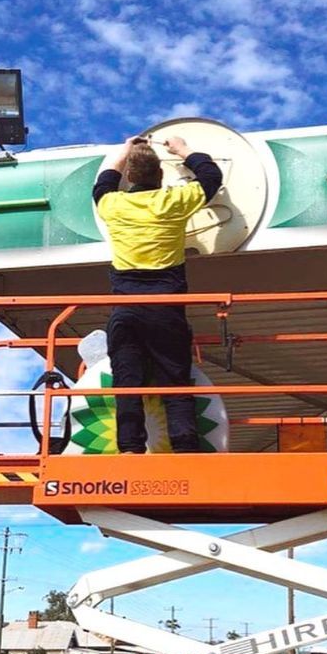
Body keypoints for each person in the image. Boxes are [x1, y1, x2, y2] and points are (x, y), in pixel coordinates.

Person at [92, 135, 222, 453]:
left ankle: (130, 449)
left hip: (126, 307)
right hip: (166, 306)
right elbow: (211, 177)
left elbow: (104, 179)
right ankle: (186, 448)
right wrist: (182, 149)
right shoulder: (173, 202)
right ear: (160, 176)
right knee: (174, 381)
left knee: (127, 383)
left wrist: (125, 147)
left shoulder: (112, 204)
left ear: (130, 177)